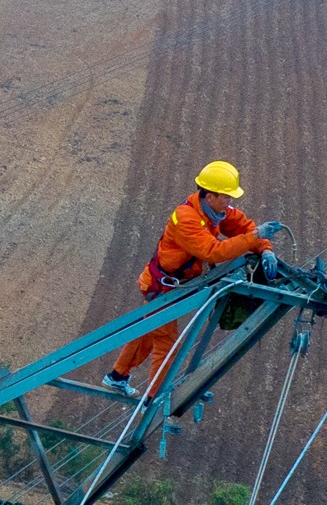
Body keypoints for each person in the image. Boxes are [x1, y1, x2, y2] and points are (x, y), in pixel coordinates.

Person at [104, 160, 281, 398]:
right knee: (167, 345)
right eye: (226, 197)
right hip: (163, 288)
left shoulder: (216, 213)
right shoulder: (185, 218)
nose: (230, 202)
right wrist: (256, 237)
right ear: (209, 196)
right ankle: (155, 399)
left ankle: (117, 376)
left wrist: (265, 249)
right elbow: (213, 251)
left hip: (174, 286)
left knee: (149, 331)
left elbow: (243, 228)